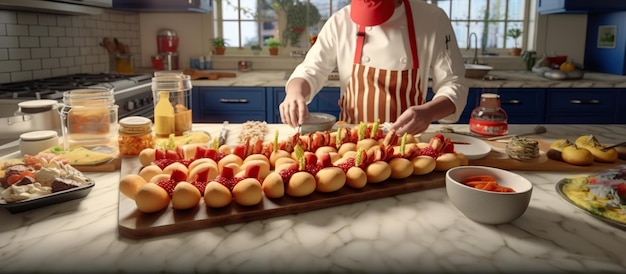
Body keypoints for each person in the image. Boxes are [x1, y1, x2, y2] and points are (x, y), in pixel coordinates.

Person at [279, 0, 469, 136]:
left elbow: (454, 83)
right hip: (351, 141)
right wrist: (294, 93)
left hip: (408, 141)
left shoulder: (432, 19)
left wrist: (429, 112)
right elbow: (311, 69)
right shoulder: (340, 21)